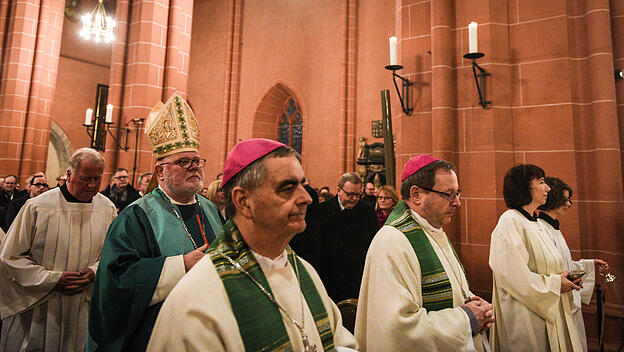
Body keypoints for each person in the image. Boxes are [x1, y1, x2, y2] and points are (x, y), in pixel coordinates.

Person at [146, 138, 357, 351]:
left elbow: (338, 342)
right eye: (287, 188)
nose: (306, 198)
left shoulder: (304, 271)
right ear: (244, 201)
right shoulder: (198, 302)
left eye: (302, 185)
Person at [87, 92, 224, 351]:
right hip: (158, 336)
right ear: (160, 171)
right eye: (184, 161)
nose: (194, 167)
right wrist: (181, 265)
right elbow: (116, 283)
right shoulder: (136, 217)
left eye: (197, 161)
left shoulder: (210, 209)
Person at [355, 155, 493, 351]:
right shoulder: (393, 241)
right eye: (449, 194)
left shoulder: (433, 231)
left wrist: (474, 305)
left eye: (457, 193)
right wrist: (467, 319)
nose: (457, 203)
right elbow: (398, 328)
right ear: (416, 194)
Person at [0, 148, 116, 351]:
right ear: (69, 175)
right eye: (85, 178)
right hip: (41, 306)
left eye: (97, 179)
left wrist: (93, 272)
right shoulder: (38, 207)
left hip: (84, 303)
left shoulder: (107, 209)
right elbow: (10, 257)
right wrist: (52, 279)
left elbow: (112, 253)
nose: (92, 185)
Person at [489, 164, 584, 351]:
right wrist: (556, 285)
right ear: (524, 187)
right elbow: (514, 278)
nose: (547, 188)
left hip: (548, 309)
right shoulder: (510, 223)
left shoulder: (534, 223)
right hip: (527, 317)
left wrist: (564, 279)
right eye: (541, 182)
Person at [537, 176, 609, 352]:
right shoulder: (540, 228)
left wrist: (589, 265)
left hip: (567, 299)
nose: (569, 204)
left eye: (569, 199)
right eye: (565, 199)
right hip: (557, 301)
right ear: (552, 199)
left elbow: (563, 264)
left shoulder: (553, 228)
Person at [318, 172, 378, 303]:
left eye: (358, 195)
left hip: (357, 279)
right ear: (339, 190)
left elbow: (372, 244)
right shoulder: (322, 211)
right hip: (329, 279)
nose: (355, 199)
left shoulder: (367, 212)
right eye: (350, 194)